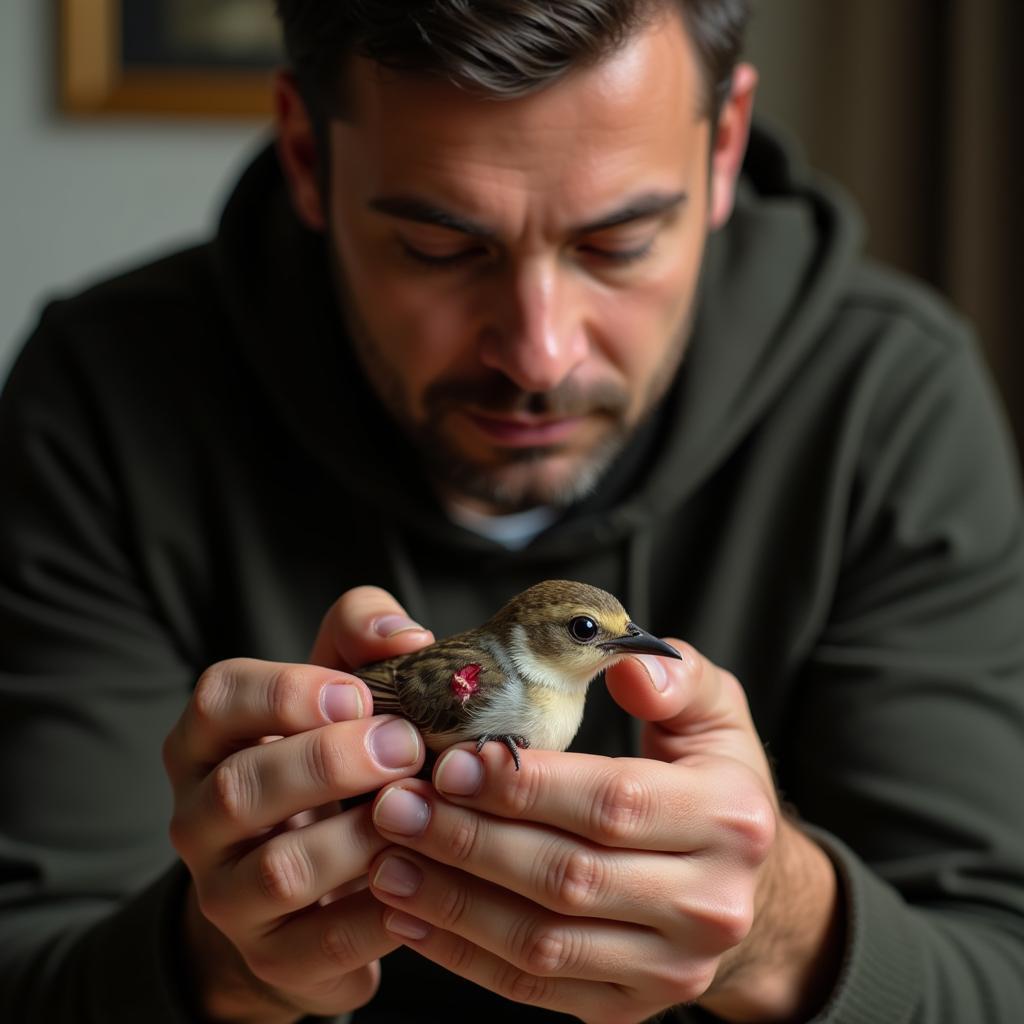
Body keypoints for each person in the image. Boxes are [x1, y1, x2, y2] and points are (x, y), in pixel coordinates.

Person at [1, 0, 1022, 1020]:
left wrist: (782, 926)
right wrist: (210, 961)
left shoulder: (893, 400)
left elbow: (999, 972)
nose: (539, 355)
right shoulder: (101, 397)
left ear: (726, 146)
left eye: (618, 241)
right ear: (308, 155)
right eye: (440, 247)